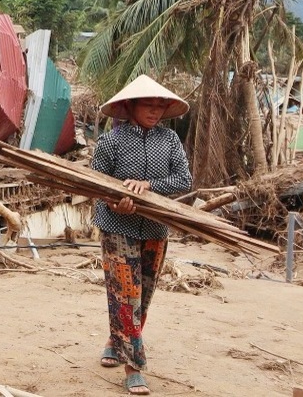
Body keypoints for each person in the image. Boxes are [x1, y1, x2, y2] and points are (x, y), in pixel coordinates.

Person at [91, 74, 192, 395]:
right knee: (125, 294)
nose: (156, 111)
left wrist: (148, 187)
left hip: (155, 227)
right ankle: (134, 366)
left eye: (161, 106)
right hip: (116, 226)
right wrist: (114, 199)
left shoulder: (170, 141)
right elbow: (95, 184)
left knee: (143, 295)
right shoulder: (111, 142)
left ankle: (115, 340)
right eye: (149, 104)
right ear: (130, 105)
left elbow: (183, 180)